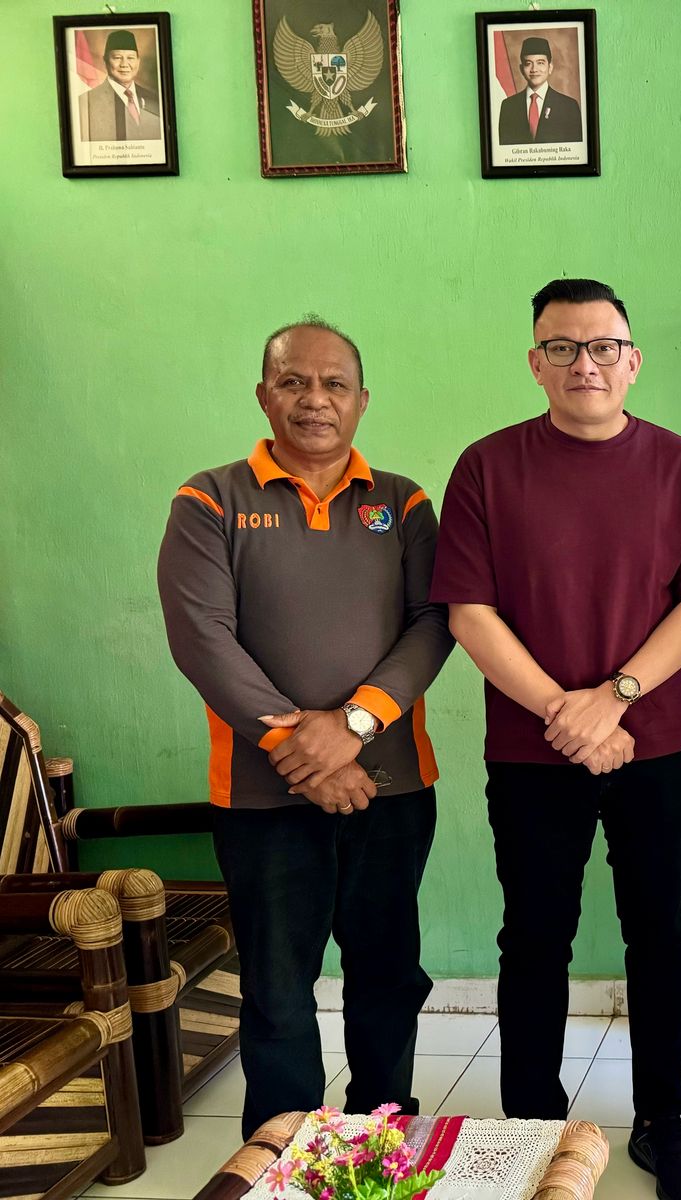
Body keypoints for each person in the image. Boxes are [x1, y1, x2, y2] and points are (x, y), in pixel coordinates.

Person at [431, 278, 681, 1200]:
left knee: (660, 933)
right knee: (534, 936)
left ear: (633, 361)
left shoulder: (678, 463)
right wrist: (569, 713)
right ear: (535, 363)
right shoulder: (487, 467)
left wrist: (616, 696)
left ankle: (662, 1118)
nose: (585, 363)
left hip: (658, 744)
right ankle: (530, 1119)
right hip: (532, 752)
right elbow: (467, 612)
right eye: (562, 347)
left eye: (603, 346)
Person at [156, 318, 453, 1139]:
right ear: (264, 396)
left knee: (388, 973)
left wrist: (353, 726)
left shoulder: (403, 502)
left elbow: (434, 623)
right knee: (279, 986)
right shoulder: (208, 498)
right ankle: (282, 1148)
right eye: (293, 382)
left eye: (333, 385)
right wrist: (300, 748)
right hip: (261, 794)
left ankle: (382, 1133)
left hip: (391, 785)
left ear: (362, 400)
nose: (314, 400)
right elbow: (201, 637)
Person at [496, 36, 584, 145]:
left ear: (550, 67)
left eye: (540, 63)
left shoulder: (568, 106)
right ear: (521, 69)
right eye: (528, 63)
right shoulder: (508, 106)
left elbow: (575, 151)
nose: (534, 69)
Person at [79, 29, 162, 141]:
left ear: (138, 61)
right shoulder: (86, 101)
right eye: (117, 58)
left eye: (130, 58)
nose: (124, 64)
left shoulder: (154, 99)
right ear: (105, 61)